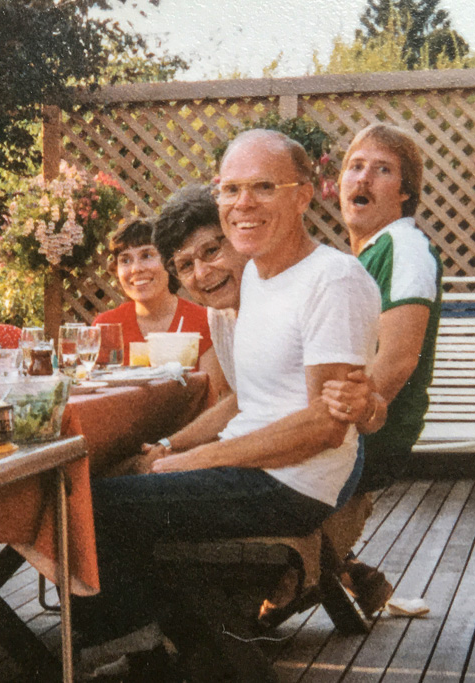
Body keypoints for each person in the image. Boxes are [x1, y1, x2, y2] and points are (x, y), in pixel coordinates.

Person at [73, 130, 382, 678]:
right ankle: (171, 642)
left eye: (264, 187)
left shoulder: (333, 279)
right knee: (100, 488)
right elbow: (253, 399)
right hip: (264, 471)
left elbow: (322, 429)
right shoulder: (260, 275)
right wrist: (168, 453)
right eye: (231, 189)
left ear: (304, 194)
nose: (244, 203)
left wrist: (185, 461)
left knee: (92, 506)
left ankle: (144, 650)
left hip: (291, 484)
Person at [334, 123, 442, 493]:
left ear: (405, 191)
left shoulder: (404, 247)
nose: (363, 178)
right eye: (356, 165)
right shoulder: (372, 251)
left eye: (382, 169)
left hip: (366, 440)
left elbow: (398, 361)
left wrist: (328, 428)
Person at [93, 216, 227, 394]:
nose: (135, 269)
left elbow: (212, 399)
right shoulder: (106, 327)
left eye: (146, 255)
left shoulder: (204, 322)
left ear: (170, 262)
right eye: (125, 260)